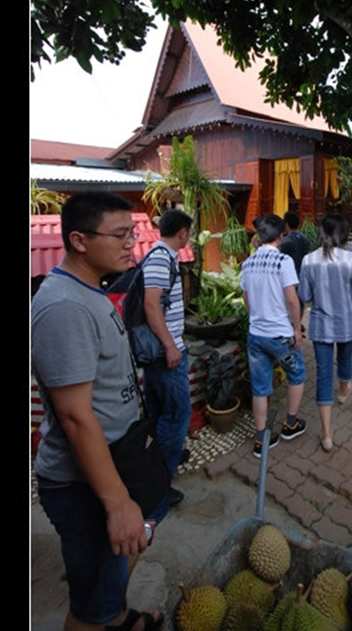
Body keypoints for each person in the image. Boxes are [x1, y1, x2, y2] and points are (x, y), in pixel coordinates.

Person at [31, 191, 164, 631]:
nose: (131, 244)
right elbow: (74, 416)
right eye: (120, 235)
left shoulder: (90, 290)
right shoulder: (64, 307)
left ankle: (120, 617)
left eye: (132, 234)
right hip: (81, 483)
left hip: (115, 459)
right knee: (90, 607)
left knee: (113, 571)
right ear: (79, 240)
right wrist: (116, 501)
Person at [298, 214, 352, 452]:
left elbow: (304, 296)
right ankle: (344, 389)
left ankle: (326, 433)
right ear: (343, 234)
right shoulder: (350, 259)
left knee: (323, 374)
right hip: (346, 323)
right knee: (345, 359)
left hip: (321, 326)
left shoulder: (308, 260)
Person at [240, 214, 307, 458]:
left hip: (256, 334)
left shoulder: (248, 263)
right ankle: (290, 424)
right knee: (297, 375)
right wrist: (297, 328)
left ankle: (261, 440)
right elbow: (291, 298)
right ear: (281, 235)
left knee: (260, 387)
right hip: (280, 335)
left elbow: (246, 297)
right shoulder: (283, 261)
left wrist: (255, 317)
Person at [141, 208, 192, 509]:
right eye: (189, 233)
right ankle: (159, 484)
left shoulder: (161, 256)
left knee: (160, 413)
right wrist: (171, 346)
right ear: (182, 233)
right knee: (176, 416)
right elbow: (151, 305)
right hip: (165, 355)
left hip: (160, 353)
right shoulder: (161, 258)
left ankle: (158, 464)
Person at [279, 211, 311, 328]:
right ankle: (297, 323)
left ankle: (289, 325)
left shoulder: (285, 241)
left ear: (286, 224)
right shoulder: (305, 239)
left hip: (289, 276)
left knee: (287, 301)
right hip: (302, 274)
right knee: (300, 302)